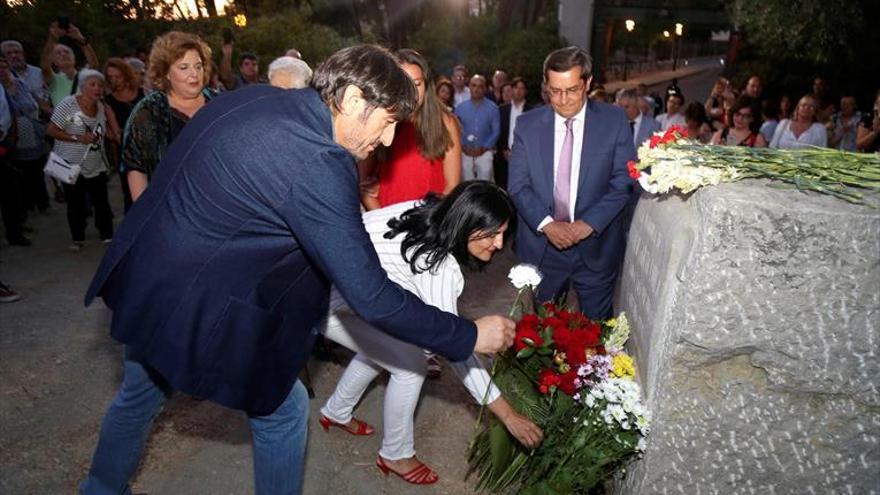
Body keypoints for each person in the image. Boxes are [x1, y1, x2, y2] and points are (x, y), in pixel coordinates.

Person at [78, 44, 515, 495]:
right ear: (350, 101)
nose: (386, 141)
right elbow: (372, 296)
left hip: (152, 273)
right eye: (387, 123)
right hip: (196, 298)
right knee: (283, 414)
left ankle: (99, 488)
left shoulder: (256, 97)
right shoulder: (319, 163)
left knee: (139, 392)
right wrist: (469, 335)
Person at [319, 181, 542, 485]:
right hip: (320, 301)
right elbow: (456, 348)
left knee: (386, 345)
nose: (500, 245)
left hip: (333, 280)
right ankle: (395, 454)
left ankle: (336, 410)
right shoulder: (439, 268)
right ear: (465, 223)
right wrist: (508, 415)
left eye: (503, 233)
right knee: (410, 364)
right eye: (491, 234)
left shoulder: (428, 209)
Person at [508, 46, 635, 320]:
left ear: (588, 83)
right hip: (543, 248)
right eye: (555, 91)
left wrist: (587, 225)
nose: (563, 100)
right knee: (543, 337)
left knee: (597, 334)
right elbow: (518, 185)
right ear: (546, 86)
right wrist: (548, 225)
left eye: (572, 90)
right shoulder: (527, 126)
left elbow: (623, 181)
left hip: (596, 249)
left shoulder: (614, 121)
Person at [360, 49, 461, 211]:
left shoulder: (445, 122)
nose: (411, 92)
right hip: (387, 221)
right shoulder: (378, 122)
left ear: (426, 85)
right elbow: (362, 183)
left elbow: (452, 185)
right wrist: (381, 220)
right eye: (403, 83)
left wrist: (429, 222)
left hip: (431, 221)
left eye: (417, 84)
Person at [122, 31, 216, 202]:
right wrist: (147, 216)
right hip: (168, 210)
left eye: (198, 66)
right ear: (166, 72)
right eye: (184, 67)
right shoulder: (149, 111)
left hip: (218, 209)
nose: (194, 74)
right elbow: (136, 169)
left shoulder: (220, 104)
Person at [46, 69, 119, 251]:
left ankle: (107, 234)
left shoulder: (102, 107)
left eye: (100, 85)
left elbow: (106, 132)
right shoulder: (68, 104)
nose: (97, 88)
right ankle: (78, 238)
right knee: (75, 203)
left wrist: (113, 134)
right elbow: (51, 130)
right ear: (82, 87)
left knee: (101, 201)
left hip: (96, 163)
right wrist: (77, 138)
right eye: (92, 84)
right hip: (70, 163)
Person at [0, 54, 49, 219]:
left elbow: (32, 105)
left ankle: (42, 203)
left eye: (4, 67)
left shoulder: (19, 84)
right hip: (12, 135)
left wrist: (16, 107)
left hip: (30, 132)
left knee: (37, 169)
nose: (2, 71)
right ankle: (26, 207)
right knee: (20, 173)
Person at [103, 57, 145, 212]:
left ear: (126, 74)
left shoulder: (143, 93)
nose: (114, 81)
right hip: (128, 154)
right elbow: (116, 133)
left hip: (150, 151)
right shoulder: (108, 101)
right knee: (131, 196)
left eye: (117, 76)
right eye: (110, 77)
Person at [41, 22, 99, 107]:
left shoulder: (84, 76)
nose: (63, 54)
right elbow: (45, 66)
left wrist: (81, 39)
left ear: (74, 57)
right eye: (58, 53)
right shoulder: (54, 80)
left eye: (66, 52)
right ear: (53, 61)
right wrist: (52, 39)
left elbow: (93, 65)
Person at [455, 74, 500, 181]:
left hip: (485, 151)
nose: (476, 89)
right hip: (465, 151)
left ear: (485, 89)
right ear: (469, 87)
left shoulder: (493, 108)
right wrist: (463, 147)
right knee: (466, 183)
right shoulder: (460, 109)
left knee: (485, 183)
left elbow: (496, 131)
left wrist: (483, 148)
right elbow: (456, 131)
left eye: (480, 86)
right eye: (474, 85)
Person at [495, 77, 530, 190]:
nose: (518, 91)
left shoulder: (532, 111)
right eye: (516, 88)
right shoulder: (502, 110)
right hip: (504, 156)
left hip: (525, 157)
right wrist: (504, 150)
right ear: (511, 89)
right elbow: (498, 132)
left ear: (526, 91)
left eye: (522, 88)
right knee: (503, 188)